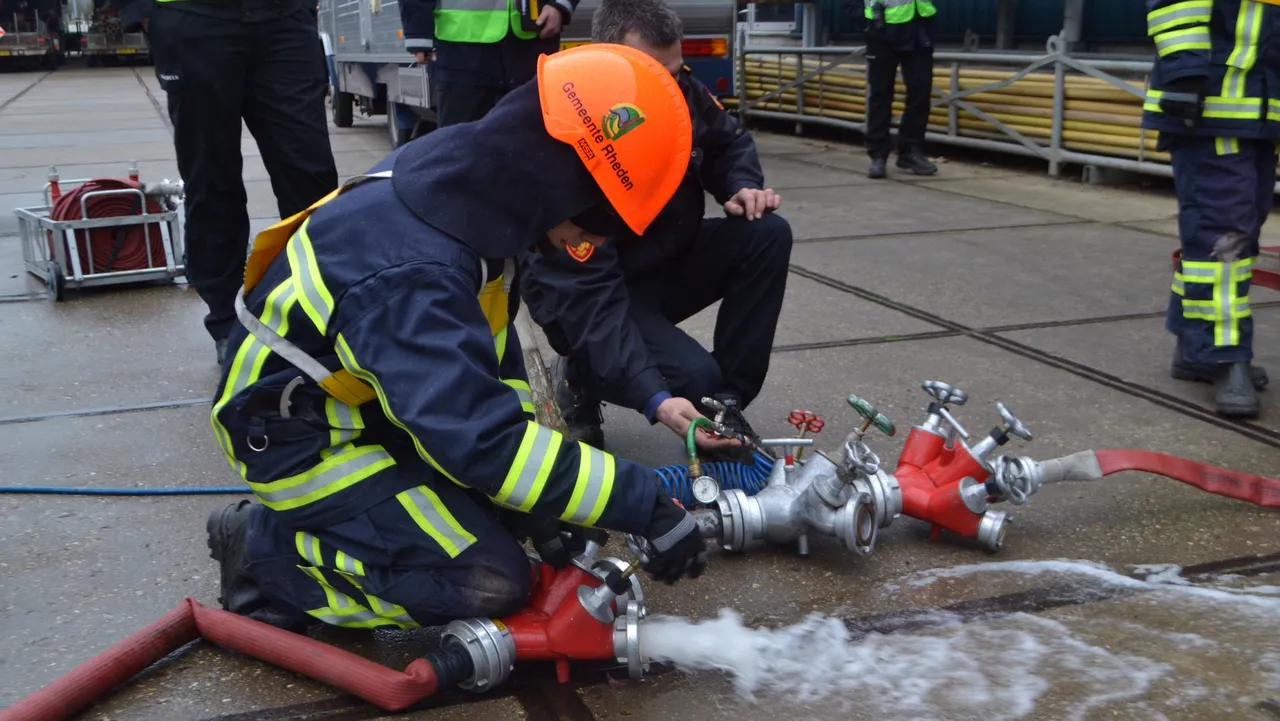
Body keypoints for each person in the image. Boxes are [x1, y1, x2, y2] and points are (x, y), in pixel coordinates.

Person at [203, 44, 708, 633]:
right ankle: (264, 552)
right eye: (590, 228)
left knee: (503, 513)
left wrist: (536, 502)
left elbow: (491, 370)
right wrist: (640, 502)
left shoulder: (464, 191)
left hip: (374, 404)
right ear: (560, 186)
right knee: (485, 580)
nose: (586, 247)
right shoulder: (416, 274)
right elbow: (481, 441)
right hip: (298, 439)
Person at [518, 0, 792, 459]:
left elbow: (728, 141)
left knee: (766, 234)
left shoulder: (675, 90)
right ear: (609, 61)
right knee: (692, 377)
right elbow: (587, 298)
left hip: (662, 263)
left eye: (676, 71)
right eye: (654, 74)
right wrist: (654, 398)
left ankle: (726, 407)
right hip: (593, 294)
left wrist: (741, 186)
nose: (670, 86)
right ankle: (581, 374)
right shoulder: (568, 134)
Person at [117, 0, 339, 367]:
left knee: (312, 180)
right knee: (212, 180)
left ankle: (319, 311)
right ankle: (228, 323)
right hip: (194, 19)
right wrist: (145, 12)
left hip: (284, 22)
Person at [1142, 0, 1274, 418]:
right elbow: (1176, 6)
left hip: (1257, 112)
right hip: (1210, 107)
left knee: (1235, 236)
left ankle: (1194, 347)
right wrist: (1184, 71)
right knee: (1224, 240)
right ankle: (1224, 354)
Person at [399, 0, 580, 128]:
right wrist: (418, 32)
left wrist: (561, 5)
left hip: (532, 42)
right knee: (461, 148)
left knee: (532, 146)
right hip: (461, 49)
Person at [856, 0, 938, 179]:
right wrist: (863, 21)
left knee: (921, 90)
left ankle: (910, 152)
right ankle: (878, 155)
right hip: (882, 29)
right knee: (880, 94)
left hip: (918, 26)